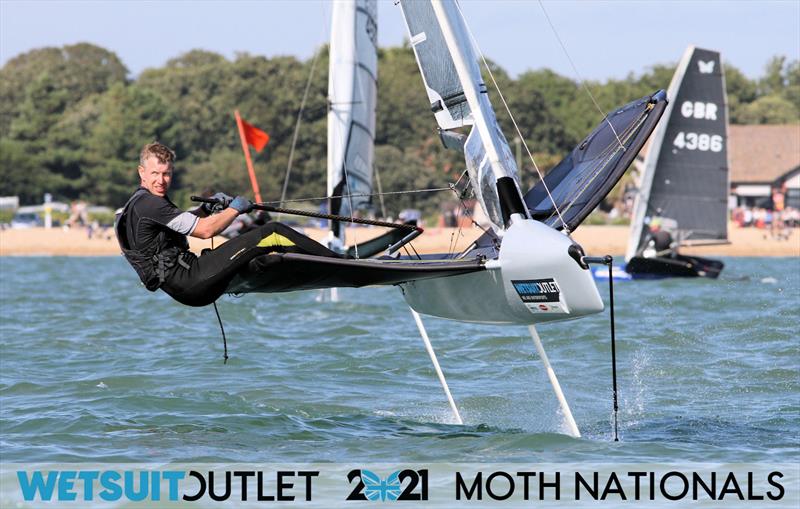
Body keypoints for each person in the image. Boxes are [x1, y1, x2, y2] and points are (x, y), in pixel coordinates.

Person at [115, 142, 339, 307]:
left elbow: (186, 224)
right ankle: (340, 263)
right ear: (141, 172)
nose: (161, 180)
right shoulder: (150, 204)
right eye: (155, 173)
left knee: (258, 258)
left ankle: (304, 268)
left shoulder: (140, 203)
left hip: (185, 286)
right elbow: (205, 230)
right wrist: (235, 209)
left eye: (166, 174)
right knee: (274, 233)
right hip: (191, 279)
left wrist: (206, 209)